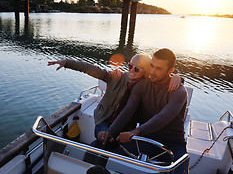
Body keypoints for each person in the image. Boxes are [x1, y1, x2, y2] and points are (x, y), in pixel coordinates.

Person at [99, 48, 191, 174]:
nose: (153, 72)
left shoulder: (179, 92)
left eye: (159, 68)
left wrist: (135, 132)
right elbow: (128, 111)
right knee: (100, 147)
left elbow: (163, 117)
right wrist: (110, 133)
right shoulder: (142, 85)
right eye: (152, 66)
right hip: (145, 139)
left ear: (171, 71)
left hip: (173, 143)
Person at [48, 54, 181, 150]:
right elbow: (92, 69)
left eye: (136, 69)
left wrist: (178, 78)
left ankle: (96, 169)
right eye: (130, 66)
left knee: (109, 144)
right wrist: (67, 62)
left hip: (126, 127)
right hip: (104, 120)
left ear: (146, 72)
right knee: (105, 140)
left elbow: (163, 81)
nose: (131, 71)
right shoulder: (116, 77)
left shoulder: (146, 86)